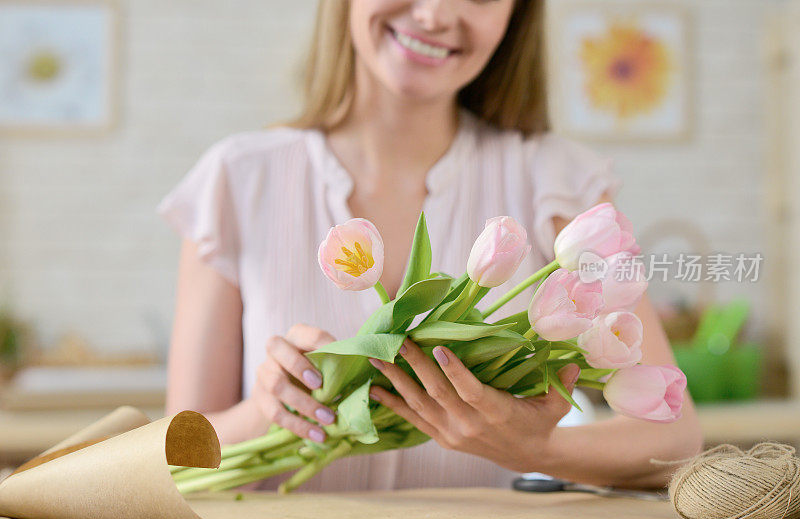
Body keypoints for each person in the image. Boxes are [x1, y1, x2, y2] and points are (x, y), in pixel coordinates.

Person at [156, 0, 703, 492]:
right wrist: (268, 410)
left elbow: (674, 441)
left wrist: (535, 449)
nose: (437, 14)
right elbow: (171, 458)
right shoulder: (238, 180)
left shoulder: (553, 181)